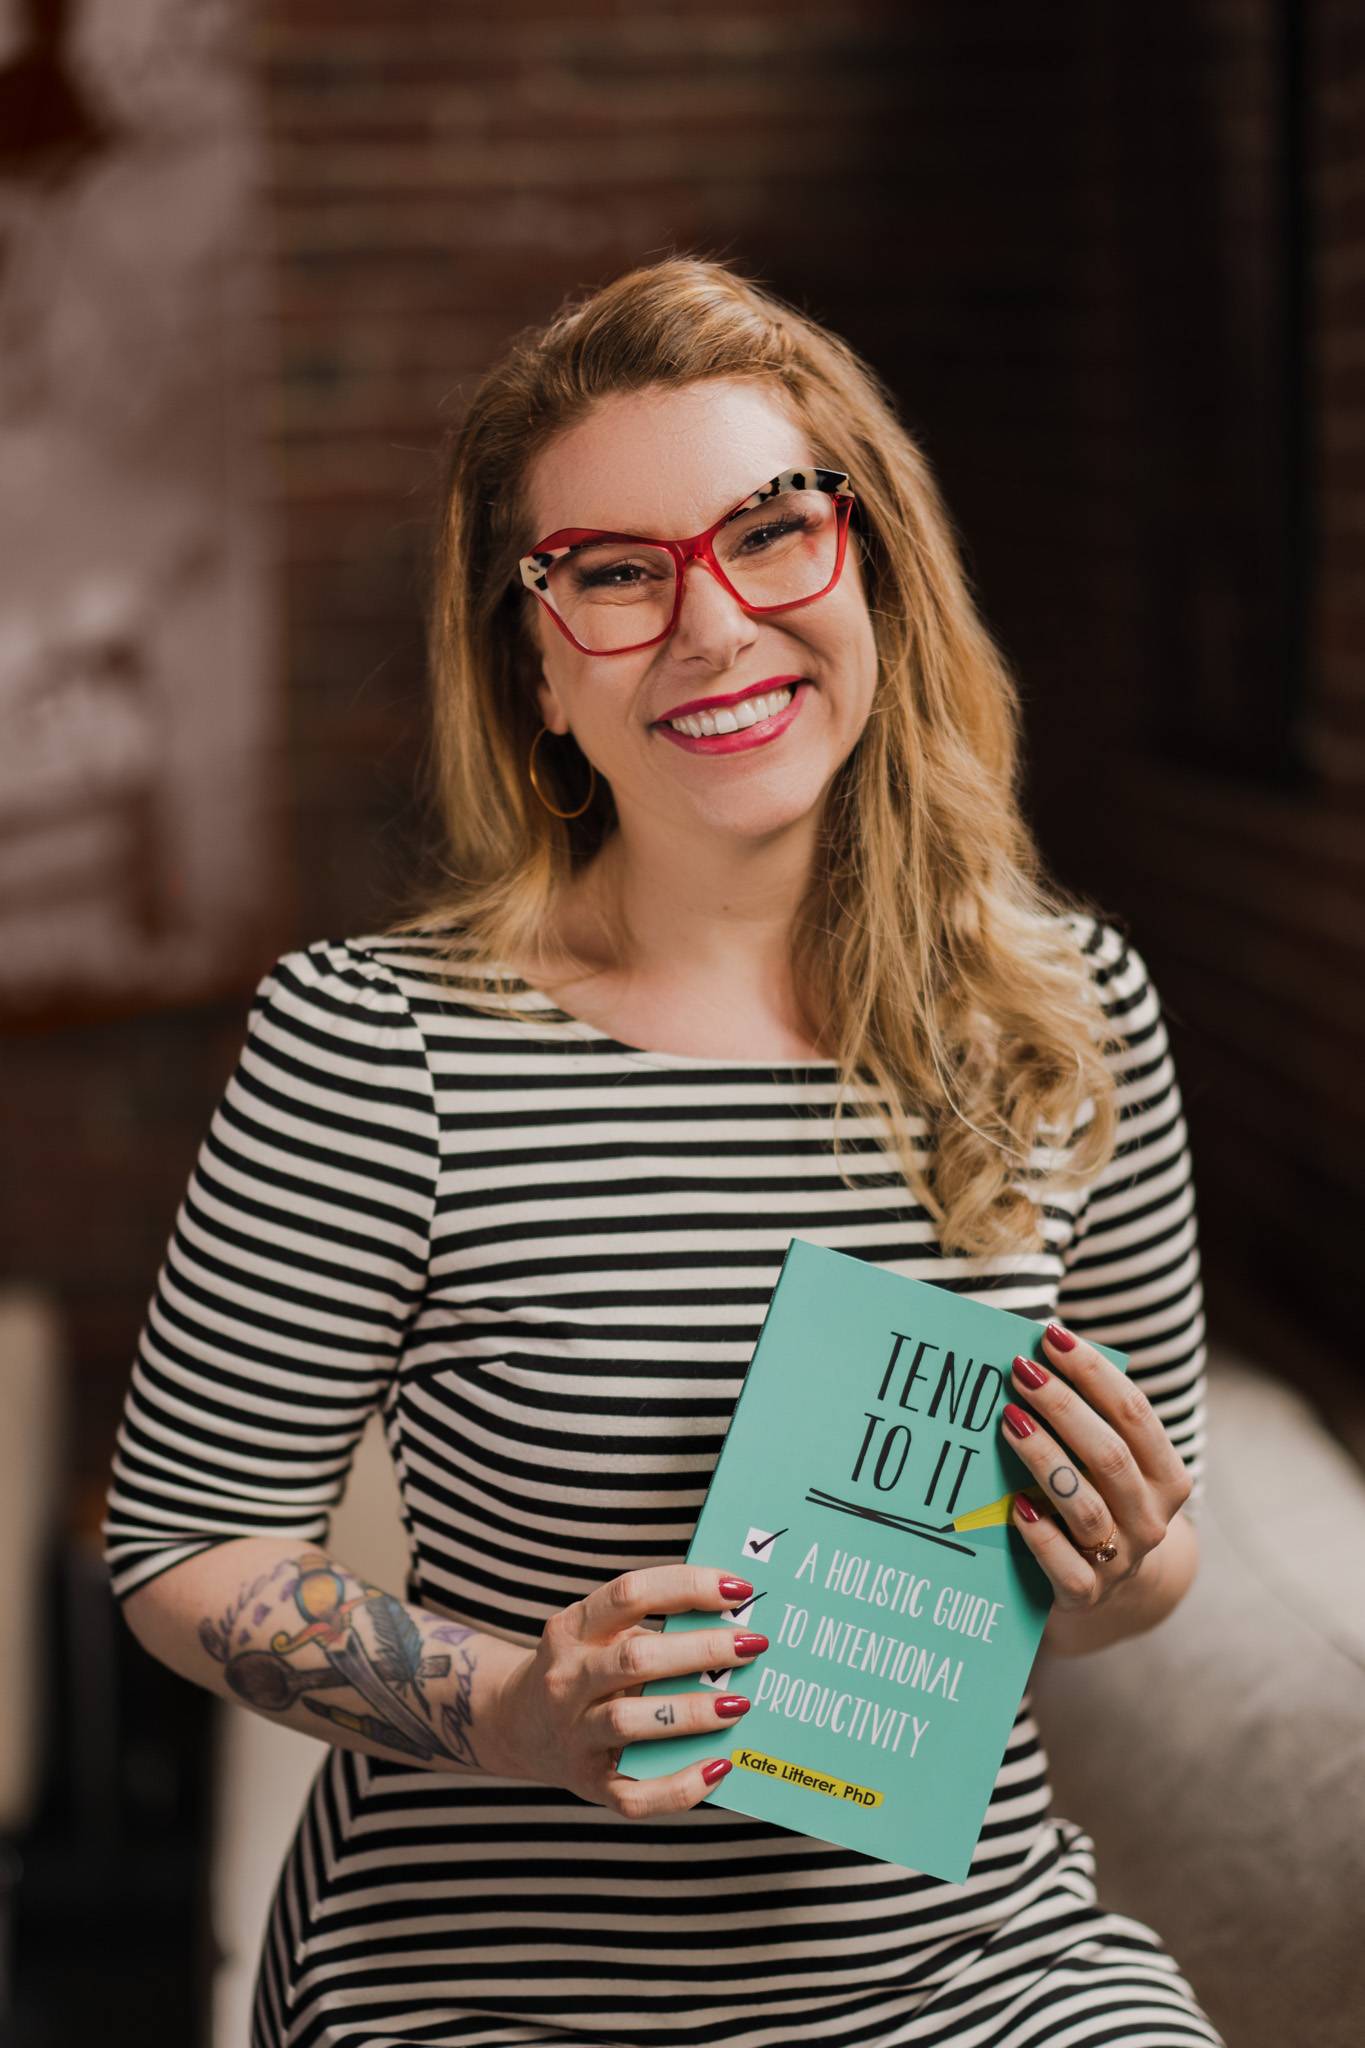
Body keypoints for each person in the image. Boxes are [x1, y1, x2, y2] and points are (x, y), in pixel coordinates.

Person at [102, 255, 1225, 2048]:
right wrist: (518, 1712)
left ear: (868, 570)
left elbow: (1126, 1585)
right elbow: (183, 1548)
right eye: (614, 577)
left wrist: (1119, 1558)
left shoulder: (1068, 1013)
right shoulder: (371, 1043)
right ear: (536, 672)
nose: (711, 629)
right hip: (484, 1989)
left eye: (769, 533)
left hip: (970, 1974)